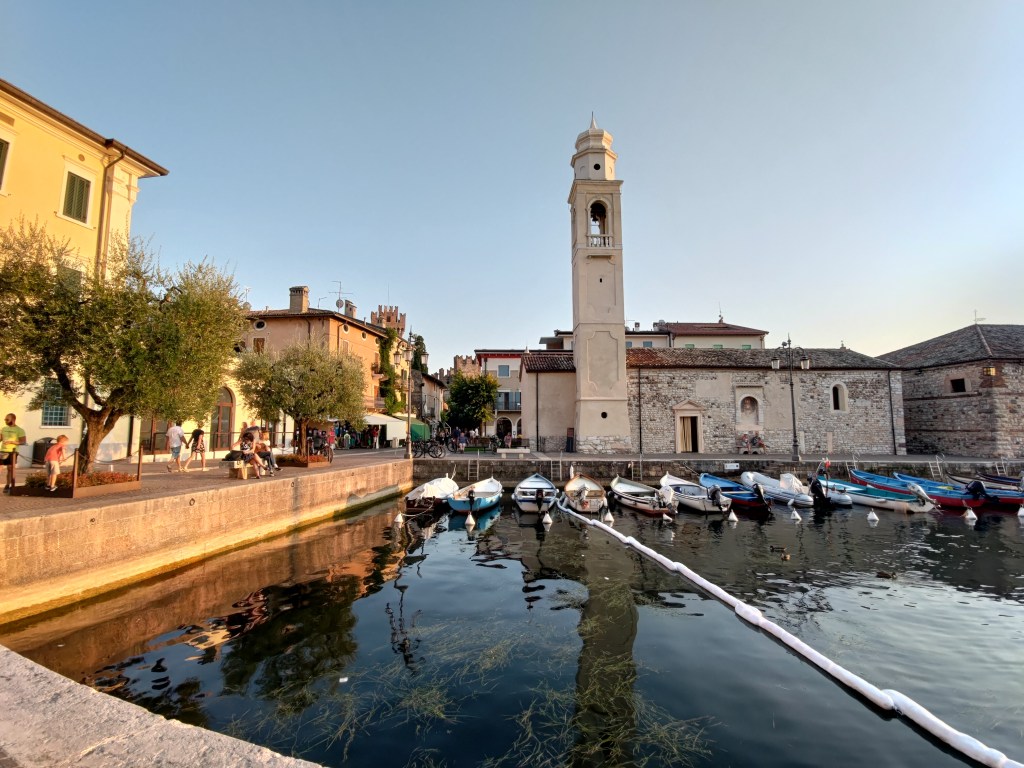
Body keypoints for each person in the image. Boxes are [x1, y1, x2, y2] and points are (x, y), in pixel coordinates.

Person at [1, 413, 27, 493]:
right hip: (2, 451)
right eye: (5, 419)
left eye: (7, 419)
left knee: (10, 469)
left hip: (12, 452)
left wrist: (12, 442)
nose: (5, 421)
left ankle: (8, 485)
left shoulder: (20, 430)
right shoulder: (3, 428)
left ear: (13, 419)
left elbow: (23, 442)